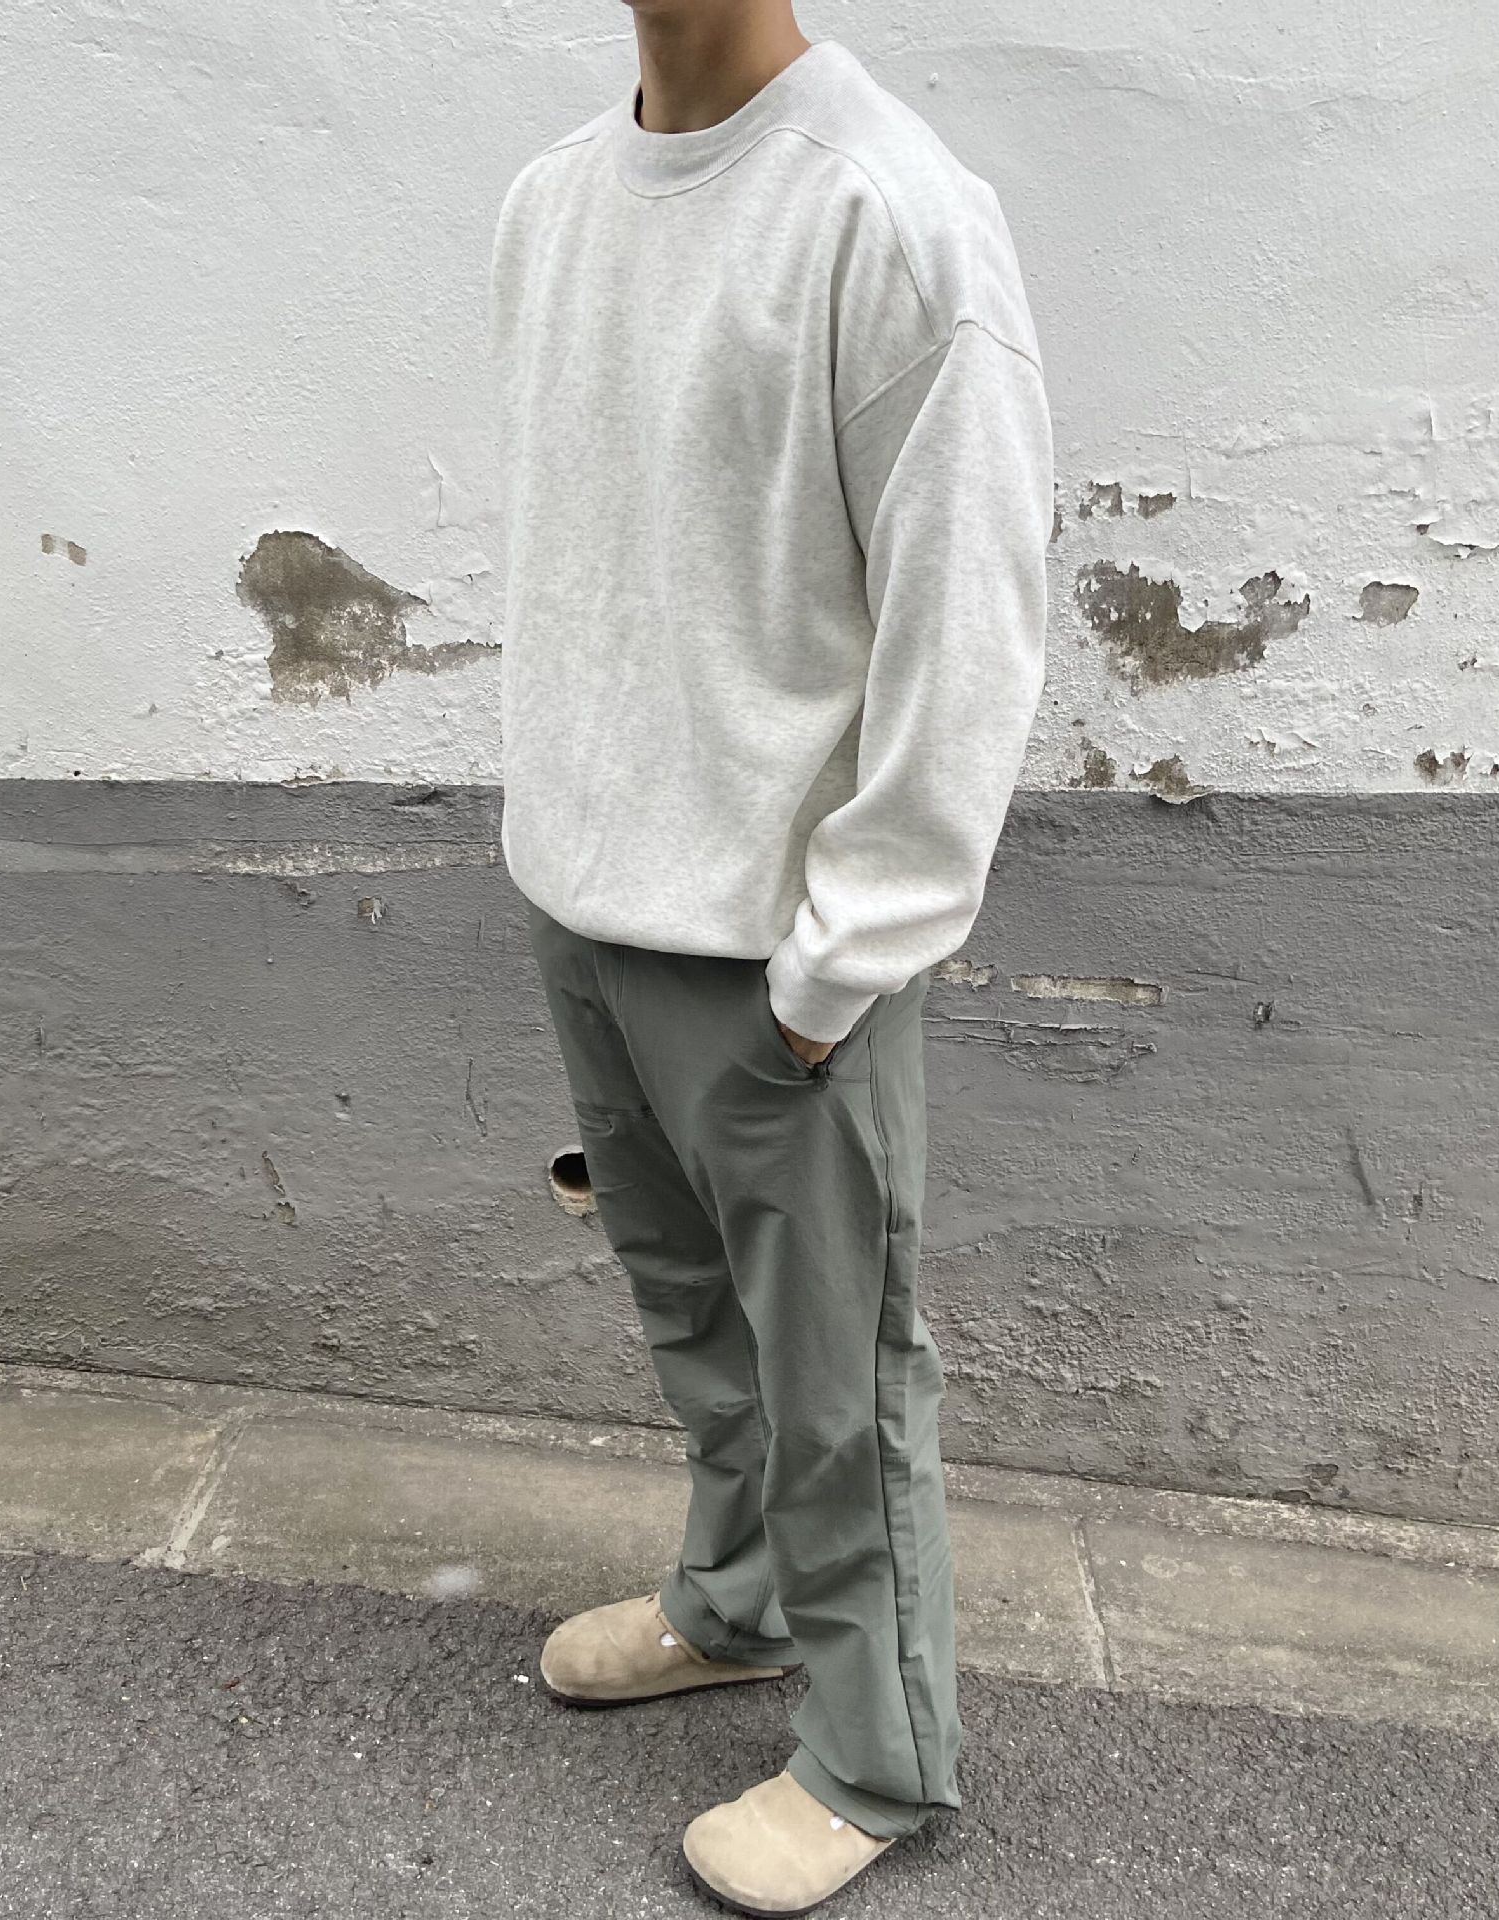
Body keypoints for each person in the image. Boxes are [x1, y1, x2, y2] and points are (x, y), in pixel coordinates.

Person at [486, 2, 1052, 1910]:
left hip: (776, 948)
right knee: (690, 1316)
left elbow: (970, 624)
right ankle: (734, 1600)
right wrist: (556, 847)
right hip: (589, 899)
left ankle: (879, 1757)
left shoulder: (890, 215)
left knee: (839, 1381)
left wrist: (842, 960)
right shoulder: (555, 203)